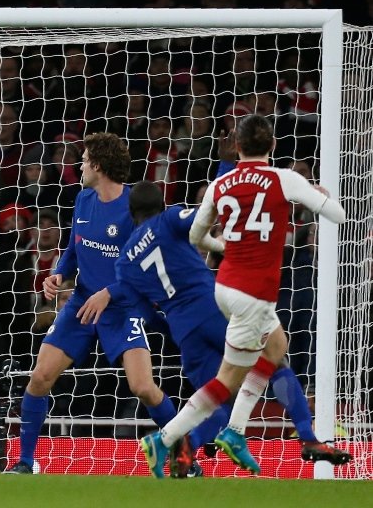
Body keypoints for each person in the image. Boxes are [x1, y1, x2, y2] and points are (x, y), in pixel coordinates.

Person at [140, 115, 347, 478]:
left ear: (237, 147)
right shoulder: (285, 179)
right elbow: (338, 215)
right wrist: (322, 197)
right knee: (226, 382)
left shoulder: (221, 184)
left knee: (276, 346)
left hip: (225, 287)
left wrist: (225, 246)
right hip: (253, 295)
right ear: (273, 146)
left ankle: (239, 433)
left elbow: (196, 237)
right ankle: (166, 438)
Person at [5, 132, 178, 474]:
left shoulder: (135, 208)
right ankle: (25, 462)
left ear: (98, 165)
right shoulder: (84, 199)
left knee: (142, 386)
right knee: (40, 377)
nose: (79, 166)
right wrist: (57, 274)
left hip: (123, 307)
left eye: (83, 160)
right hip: (83, 303)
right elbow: (74, 248)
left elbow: (149, 270)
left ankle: (184, 454)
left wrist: (110, 291)